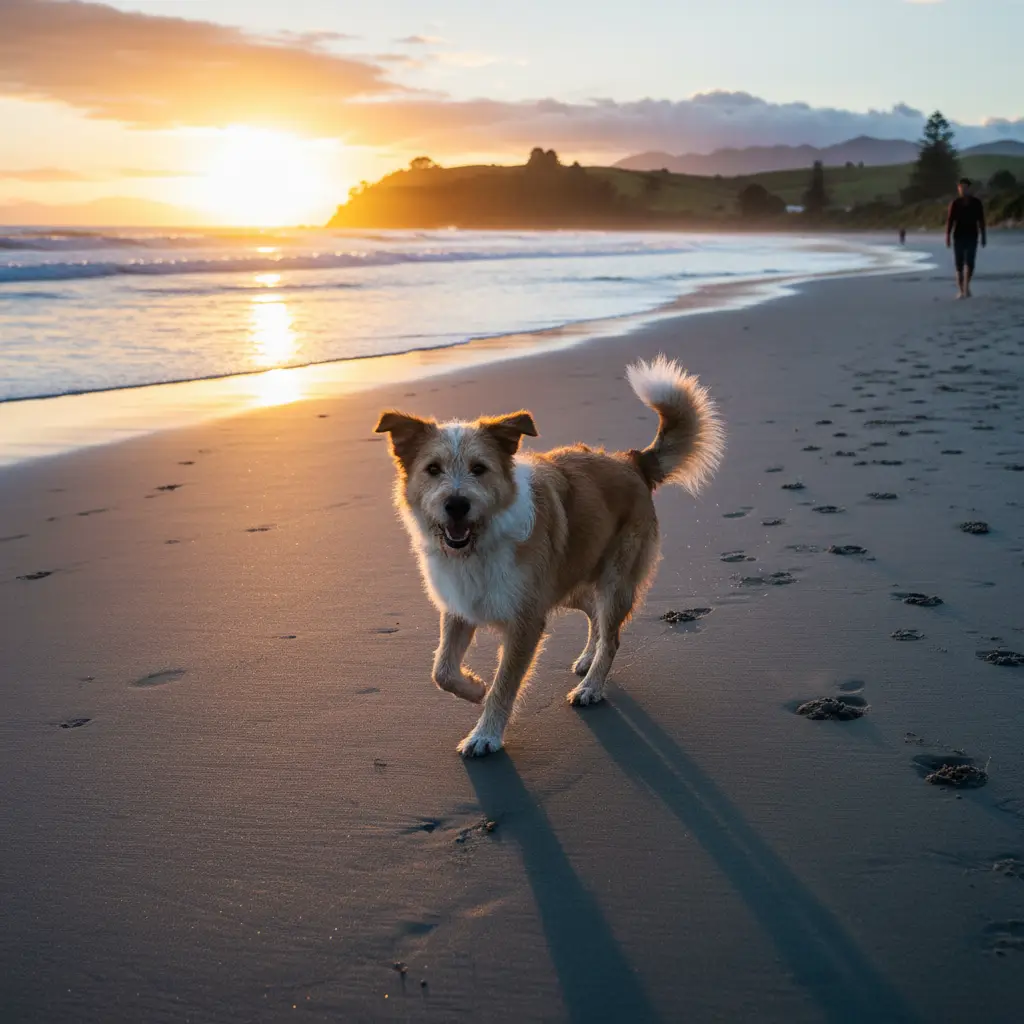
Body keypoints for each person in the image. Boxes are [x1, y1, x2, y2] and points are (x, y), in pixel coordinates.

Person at [945, 178, 986, 298]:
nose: (963, 189)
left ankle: (966, 288)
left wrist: (984, 236)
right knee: (959, 264)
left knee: (970, 263)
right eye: (960, 187)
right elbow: (950, 221)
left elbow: (981, 220)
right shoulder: (955, 203)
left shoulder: (976, 203)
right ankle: (961, 290)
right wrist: (947, 236)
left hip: (972, 235)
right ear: (958, 189)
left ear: (969, 188)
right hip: (958, 236)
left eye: (965, 187)